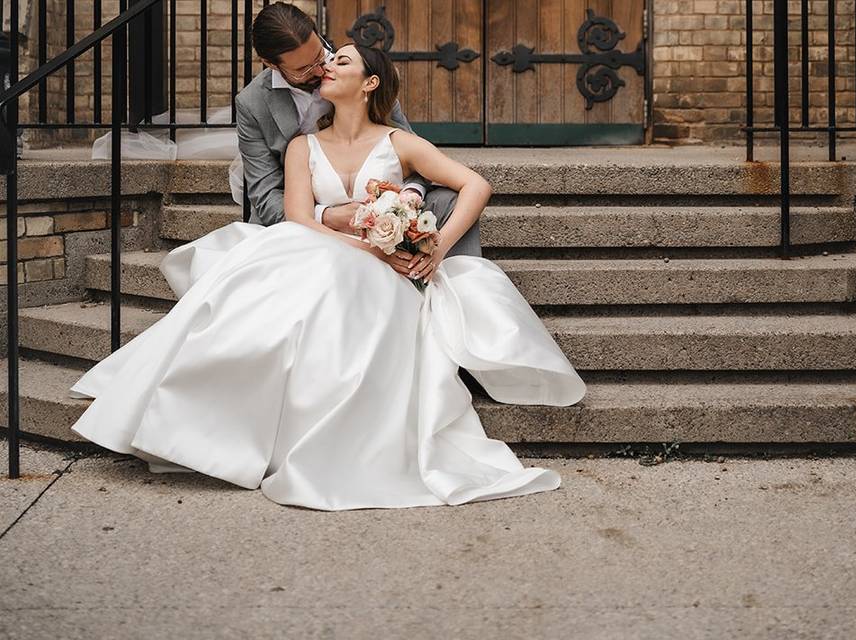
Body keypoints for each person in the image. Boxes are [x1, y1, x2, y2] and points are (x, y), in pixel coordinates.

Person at [65, 42, 585, 511]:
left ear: (370, 83)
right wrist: (367, 245)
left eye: (342, 62)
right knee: (266, 299)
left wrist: (436, 249)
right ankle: (199, 420)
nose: (327, 68)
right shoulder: (301, 146)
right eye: (328, 61)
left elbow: (475, 184)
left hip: (378, 269)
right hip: (317, 246)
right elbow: (297, 216)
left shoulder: (399, 141)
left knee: (339, 297)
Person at [235, 2, 481, 259]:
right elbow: (265, 195)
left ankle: (456, 279)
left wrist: (405, 200)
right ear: (271, 64)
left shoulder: (356, 71)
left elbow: (410, 156)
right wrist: (325, 216)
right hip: (304, 224)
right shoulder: (253, 105)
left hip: (379, 216)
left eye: (320, 56)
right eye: (304, 70)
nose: (321, 70)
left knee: (449, 201)